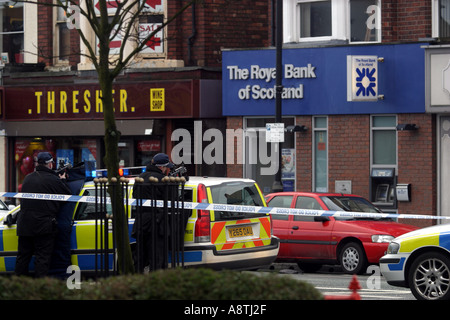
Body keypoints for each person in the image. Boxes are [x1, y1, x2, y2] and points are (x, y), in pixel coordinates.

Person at [15, 152, 72, 277]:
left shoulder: (28, 178)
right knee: (42, 259)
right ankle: (40, 289)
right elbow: (68, 195)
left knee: (22, 257)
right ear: (50, 164)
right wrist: (62, 180)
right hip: (43, 226)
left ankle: (18, 286)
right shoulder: (54, 180)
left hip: (24, 225)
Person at [132, 153, 173, 271]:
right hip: (157, 223)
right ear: (161, 167)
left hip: (141, 221)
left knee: (140, 256)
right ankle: (154, 282)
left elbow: (134, 195)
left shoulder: (140, 177)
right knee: (157, 257)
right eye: (166, 167)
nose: (166, 170)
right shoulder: (162, 179)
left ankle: (136, 280)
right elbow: (171, 199)